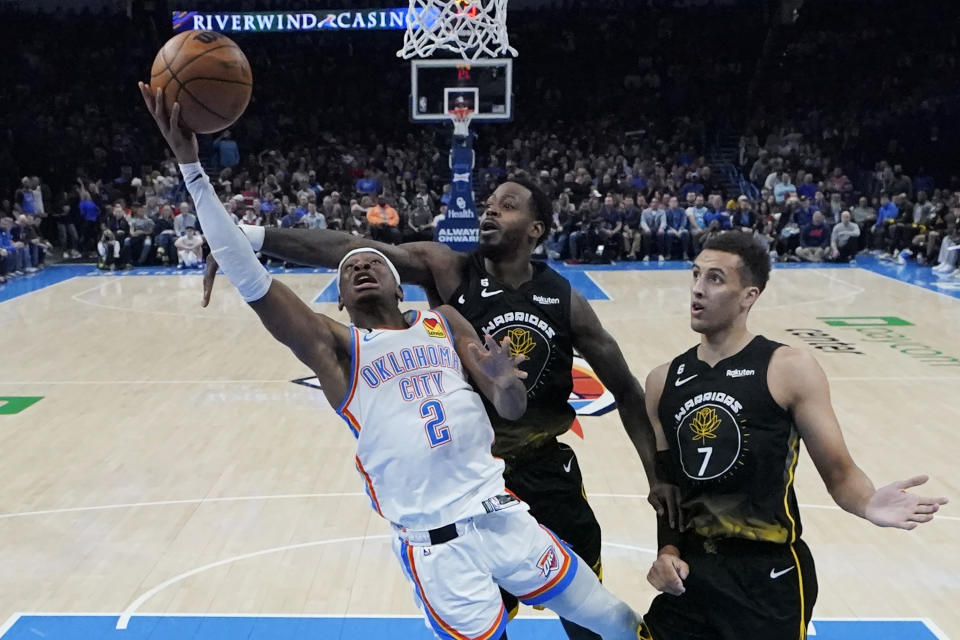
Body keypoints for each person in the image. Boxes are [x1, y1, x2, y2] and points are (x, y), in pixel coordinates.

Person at [139, 82, 654, 640]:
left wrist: (507, 387)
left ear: (397, 282)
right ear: (336, 297)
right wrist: (195, 170)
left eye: (372, 262)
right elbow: (252, 275)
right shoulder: (338, 350)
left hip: (507, 509)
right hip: (437, 546)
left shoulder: (445, 322)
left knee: (618, 623)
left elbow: (512, 401)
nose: (361, 266)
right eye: (350, 268)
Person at [641, 232, 948, 640]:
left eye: (715, 279)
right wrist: (668, 551)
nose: (697, 289)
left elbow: (840, 473)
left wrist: (867, 502)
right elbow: (669, 491)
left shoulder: (788, 367)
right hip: (692, 575)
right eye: (696, 275)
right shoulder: (663, 381)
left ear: (749, 295)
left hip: (768, 578)